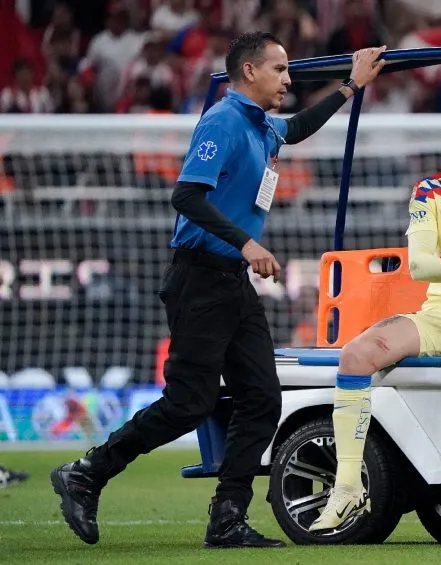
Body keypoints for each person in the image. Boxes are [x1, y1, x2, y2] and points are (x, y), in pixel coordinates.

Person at [49, 33, 386, 549]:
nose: (288, 79)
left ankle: (227, 520)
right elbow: (185, 194)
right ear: (249, 72)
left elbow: (295, 129)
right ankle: (87, 471)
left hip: (231, 281)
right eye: (279, 69)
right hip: (200, 277)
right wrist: (247, 243)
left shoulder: (259, 126)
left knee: (261, 398)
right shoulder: (224, 122)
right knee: (189, 402)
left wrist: (350, 87)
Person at [309, 112, 441, 532]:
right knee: (354, 355)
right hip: (439, 315)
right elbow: (420, 265)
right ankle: (349, 488)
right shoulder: (430, 192)